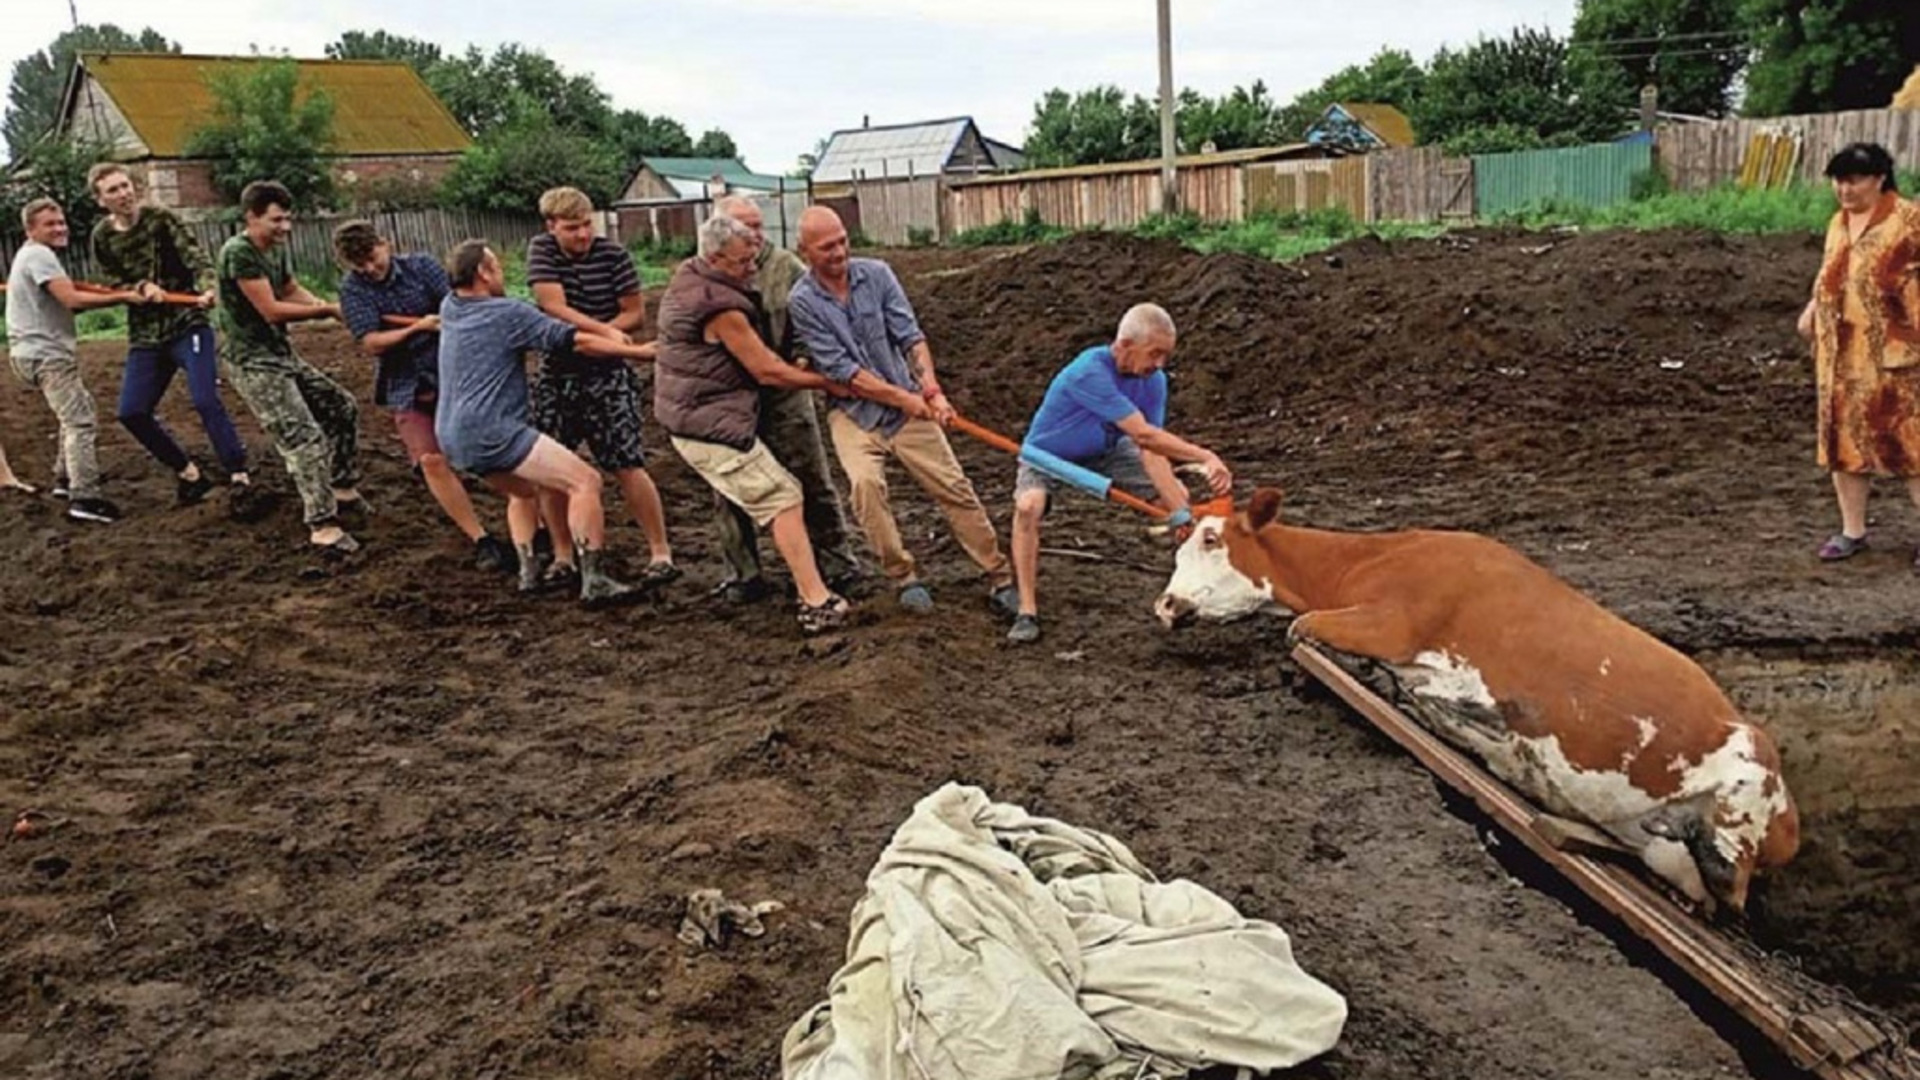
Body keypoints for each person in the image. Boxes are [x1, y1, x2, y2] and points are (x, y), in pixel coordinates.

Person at [657, 215, 932, 634]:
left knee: (785, 493)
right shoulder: (719, 306)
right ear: (714, 258)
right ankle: (815, 602)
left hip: (700, 411)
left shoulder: (690, 276)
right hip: (707, 423)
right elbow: (768, 371)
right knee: (782, 498)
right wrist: (832, 381)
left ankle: (814, 585)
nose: (753, 269)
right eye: (743, 262)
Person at [790, 206, 1017, 616]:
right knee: (865, 487)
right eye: (827, 247)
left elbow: (911, 337)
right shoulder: (803, 302)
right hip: (854, 413)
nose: (839, 251)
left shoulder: (877, 275)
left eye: (842, 240)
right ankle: (902, 575)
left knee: (954, 487)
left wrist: (931, 389)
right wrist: (906, 399)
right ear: (804, 251)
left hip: (909, 405)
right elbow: (846, 373)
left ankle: (999, 576)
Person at [435, 239, 658, 607]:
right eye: (498, 266)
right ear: (483, 273)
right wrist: (635, 351)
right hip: (493, 429)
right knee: (585, 480)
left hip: (451, 435)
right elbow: (574, 341)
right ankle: (595, 578)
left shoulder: (450, 307)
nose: (503, 274)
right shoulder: (508, 313)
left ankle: (529, 572)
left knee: (524, 491)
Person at [1007, 304, 1233, 644]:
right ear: (1125, 344)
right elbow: (1143, 433)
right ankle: (1027, 610)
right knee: (1029, 506)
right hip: (1049, 454)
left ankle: (1189, 588)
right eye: (1155, 353)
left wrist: (1180, 516)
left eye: (1165, 356)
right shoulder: (1089, 371)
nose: (1160, 364)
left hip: (1109, 451)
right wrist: (1206, 456)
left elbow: (1150, 448)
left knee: (1179, 499)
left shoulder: (1152, 380)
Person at [705, 194, 865, 604]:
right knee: (729, 486)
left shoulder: (786, 269)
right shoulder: (707, 272)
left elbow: (813, 323)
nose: (754, 236)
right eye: (744, 228)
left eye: (758, 226)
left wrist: (802, 359)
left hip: (785, 392)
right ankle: (743, 573)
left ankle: (837, 563)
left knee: (811, 477)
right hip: (728, 398)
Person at [333, 220, 516, 573]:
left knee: (488, 445)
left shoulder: (422, 267)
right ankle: (482, 539)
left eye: (373, 258)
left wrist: (445, 319)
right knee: (431, 460)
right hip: (405, 381)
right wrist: (416, 326)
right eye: (361, 266)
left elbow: (459, 303)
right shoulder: (353, 290)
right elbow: (370, 342)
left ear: (384, 244)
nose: (371, 269)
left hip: (453, 370)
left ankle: (529, 516)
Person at [525, 186, 677, 589]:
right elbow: (552, 307)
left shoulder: (613, 255)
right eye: (572, 227)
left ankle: (660, 551)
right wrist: (605, 332)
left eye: (587, 225)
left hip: (607, 374)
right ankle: (563, 555)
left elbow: (635, 314)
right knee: (553, 469)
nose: (582, 234)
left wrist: (607, 339)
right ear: (551, 226)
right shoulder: (542, 251)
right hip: (559, 372)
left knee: (627, 461)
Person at [215, 180, 365, 551]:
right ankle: (322, 525)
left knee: (341, 408)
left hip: (280, 354)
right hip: (253, 362)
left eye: (287, 219)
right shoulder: (239, 253)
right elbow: (271, 309)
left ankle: (342, 488)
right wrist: (325, 310)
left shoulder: (274, 248)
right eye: (276, 220)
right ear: (251, 217)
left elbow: (289, 289)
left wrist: (327, 306)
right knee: (303, 437)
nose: (285, 227)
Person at [89, 163, 250, 505]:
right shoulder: (101, 237)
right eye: (113, 190)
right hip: (145, 335)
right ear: (101, 200)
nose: (123, 194)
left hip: (186, 322)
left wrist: (207, 289)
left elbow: (196, 258)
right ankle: (189, 473)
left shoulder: (160, 220)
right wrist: (138, 287)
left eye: (125, 185)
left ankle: (238, 472)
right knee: (131, 412)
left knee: (205, 398)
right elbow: (111, 282)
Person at [1796, 143, 1920, 568]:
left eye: (1853, 181)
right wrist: (1813, 309)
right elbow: (1830, 270)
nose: (1843, 190)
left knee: (1910, 446)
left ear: (1879, 179)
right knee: (1843, 444)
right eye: (1838, 181)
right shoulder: (1838, 222)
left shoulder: (1910, 220)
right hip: (1839, 355)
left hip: (1896, 354)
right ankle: (1853, 531)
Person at [6, 197, 144, 523]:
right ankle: (85, 497)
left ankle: (65, 480)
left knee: (72, 413)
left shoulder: (29, 255)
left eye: (61, 222)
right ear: (30, 230)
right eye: (50, 224)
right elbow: (72, 301)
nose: (59, 228)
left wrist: (112, 293)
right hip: (46, 356)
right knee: (80, 421)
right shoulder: (39, 255)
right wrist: (124, 297)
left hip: (28, 353)